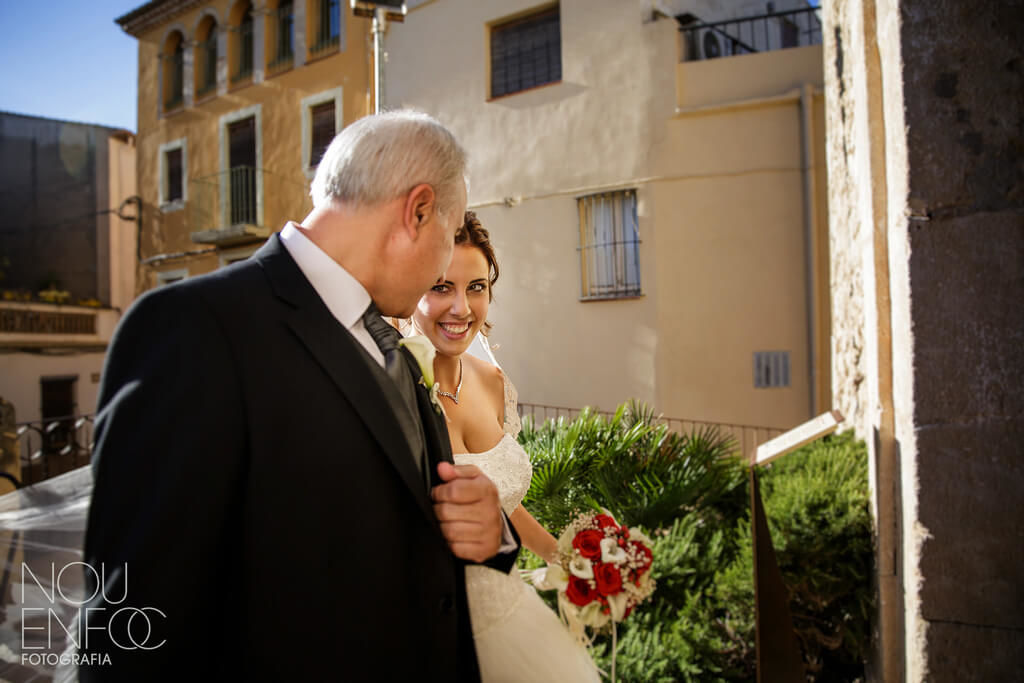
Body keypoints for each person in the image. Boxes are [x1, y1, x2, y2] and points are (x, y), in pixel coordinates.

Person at [79, 111, 519, 681]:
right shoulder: (193, 330)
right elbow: (130, 632)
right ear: (417, 211)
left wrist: (493, 533)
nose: (443, 261)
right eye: (447, 231)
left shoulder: (396, 346)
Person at [410, 212, 600, 682]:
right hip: (435, 634)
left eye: (476, 286)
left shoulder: (493, 382)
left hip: (513, 616)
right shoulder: (395, 393)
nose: (461, 307)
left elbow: (503, 508)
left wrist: (571, 562)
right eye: (440, 287)